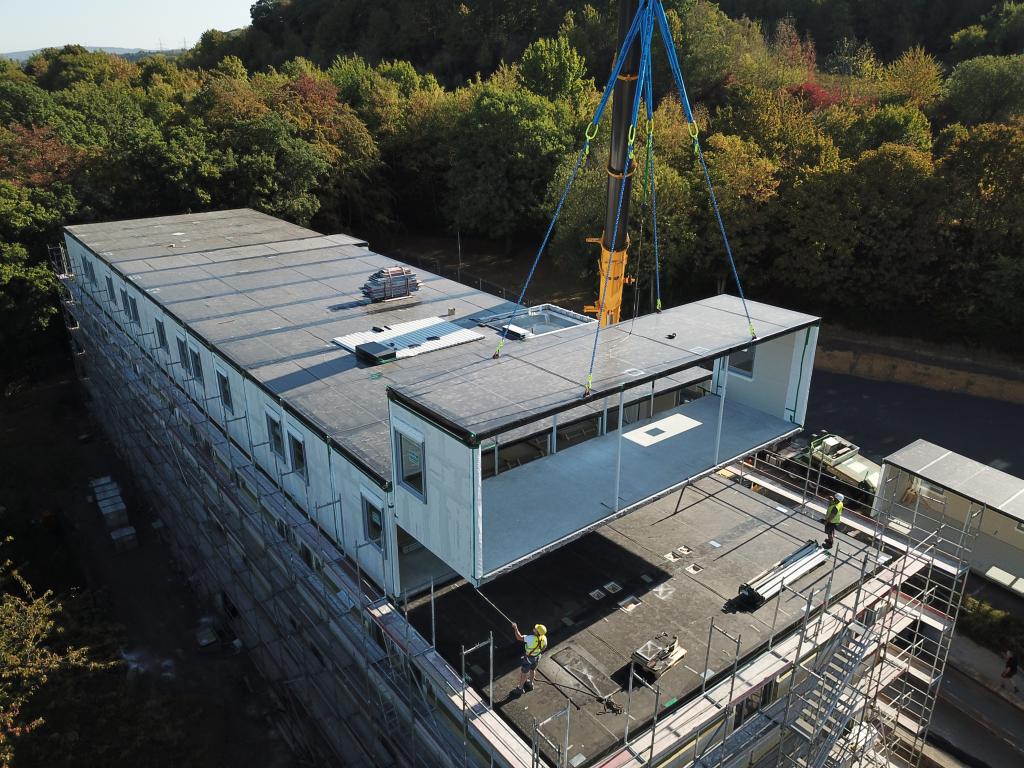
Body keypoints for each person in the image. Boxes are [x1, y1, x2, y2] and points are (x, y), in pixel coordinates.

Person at [513, 622, 547, 694]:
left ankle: (520, 688)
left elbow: (519, 637)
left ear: (537, 632)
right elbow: (544, 647)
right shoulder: (544, 638)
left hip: (528, 658)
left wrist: (515, 628)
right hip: (537, 657)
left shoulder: (531, 638)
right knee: (532, 670)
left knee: (524, 673)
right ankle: (531, 684)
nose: (534, 628)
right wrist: (537, 652)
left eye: (536, 629)